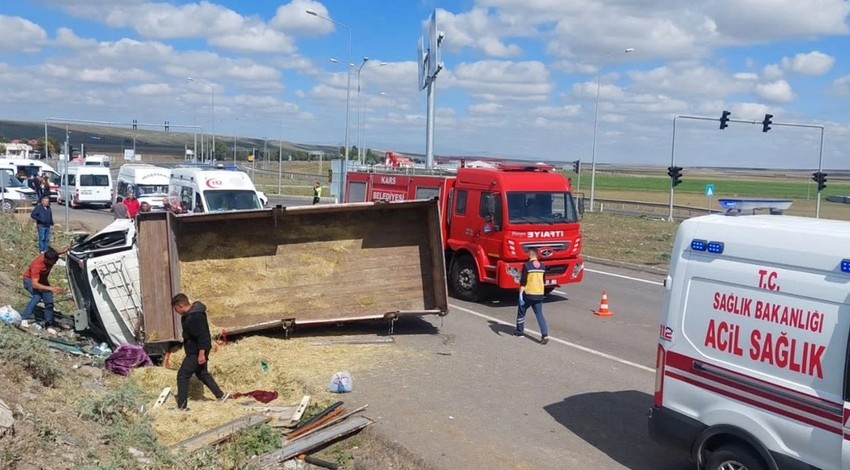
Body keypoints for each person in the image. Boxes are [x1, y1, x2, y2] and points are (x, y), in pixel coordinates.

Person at [171, 293, 229, 410]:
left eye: (175, 308)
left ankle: (182, 406)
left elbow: (203, 336)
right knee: (202, 373)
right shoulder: (189, 314)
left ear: (181, 305)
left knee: (182, 375)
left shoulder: (195, 316)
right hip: (195, 351)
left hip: (196, 352)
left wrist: (201, 354)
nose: (175, 311)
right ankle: (221, 395)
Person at [22, 247, 64, 327]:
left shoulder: (50, 255)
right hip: (29, 280)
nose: (54, 263)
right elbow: (35, 284)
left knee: (49, 302)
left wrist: (68, 249)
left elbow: (57, 251)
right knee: (37, 296)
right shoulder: (37, 265)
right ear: (47, 260)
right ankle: (24, 317)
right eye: (53, 262)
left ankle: (48, 324)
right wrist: (52, 288)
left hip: (43, 281)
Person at [515, 247, 549, 344]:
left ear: (529, 254)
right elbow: (544, 281)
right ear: (537, 254)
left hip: (528, 293)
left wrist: (521, 293)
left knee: (521, 311)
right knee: (539, 314)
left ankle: (519, 332)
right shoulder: (542, 266)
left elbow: (523, 281)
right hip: (539, 293)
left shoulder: (527, 266)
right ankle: (545, 334)